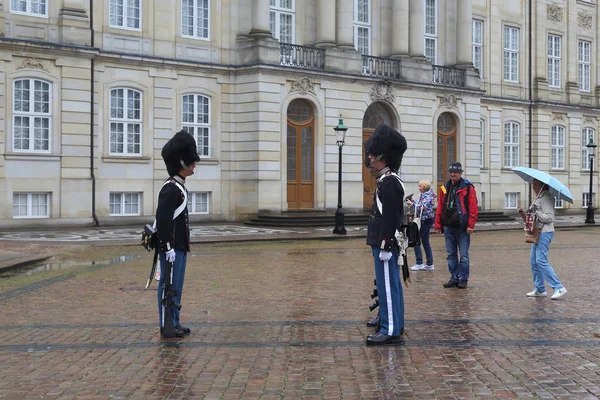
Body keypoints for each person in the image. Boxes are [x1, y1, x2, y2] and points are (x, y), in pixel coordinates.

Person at [364, 124, 407, 345]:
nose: (371, 160)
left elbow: (389, 216)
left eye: (374, 156)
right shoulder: (387, 179)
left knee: (388, 286)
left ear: (383, 157)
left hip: (385, 244)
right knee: (390, 284)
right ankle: (394, 322)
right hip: (385, 242)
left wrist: (384, 243)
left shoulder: (389, 182)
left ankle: (389, 328)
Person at [156, 130, 200, 338]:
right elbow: (163, 220)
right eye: (190, 162)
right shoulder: (171, 188)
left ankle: (175, 321)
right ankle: (166, 324)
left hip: (179, 246)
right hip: (171, 247)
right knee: (168, 286)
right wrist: (166, 246)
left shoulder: (179, 186)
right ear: (181, 162)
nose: (193, 165)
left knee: (176, 286)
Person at [518, 179, 567, 300]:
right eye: (533, 184)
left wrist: (537, 211)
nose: (533, 186)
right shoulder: (538, 197)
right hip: (537, 232)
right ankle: (540, 289)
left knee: (541, 260)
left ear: (542, 185)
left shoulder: (547, 197)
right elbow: (534, 217)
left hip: (545, 232)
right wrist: (525, 214)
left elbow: (549, 218)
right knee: (534, 261)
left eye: (535, 184)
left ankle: (558, 287)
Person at [434, 162, 478, 289]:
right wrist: (437, 224)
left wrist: (471, 225)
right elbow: (440, 207)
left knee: (463, 255)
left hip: (462, 226)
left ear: (460, 173)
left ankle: (463, 278)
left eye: (456, 172)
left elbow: (473, 207)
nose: (453, 174)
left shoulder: (468, 187)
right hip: (448, 225)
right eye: (451, 172)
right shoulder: (444, 187)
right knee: (450, 254)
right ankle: (454, 277)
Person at [406, 180, 436, 271]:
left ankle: (419, 262)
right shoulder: (427, 195)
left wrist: (412, 204)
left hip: (424, 220)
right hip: (427, 220)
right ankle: (429, 263)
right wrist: (413, 202)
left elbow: (422, 207)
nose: (419, 188)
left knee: (416, 240)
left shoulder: (427, 196)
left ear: (424, 187)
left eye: (420, 186)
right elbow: (421, 205)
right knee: (426, 242)